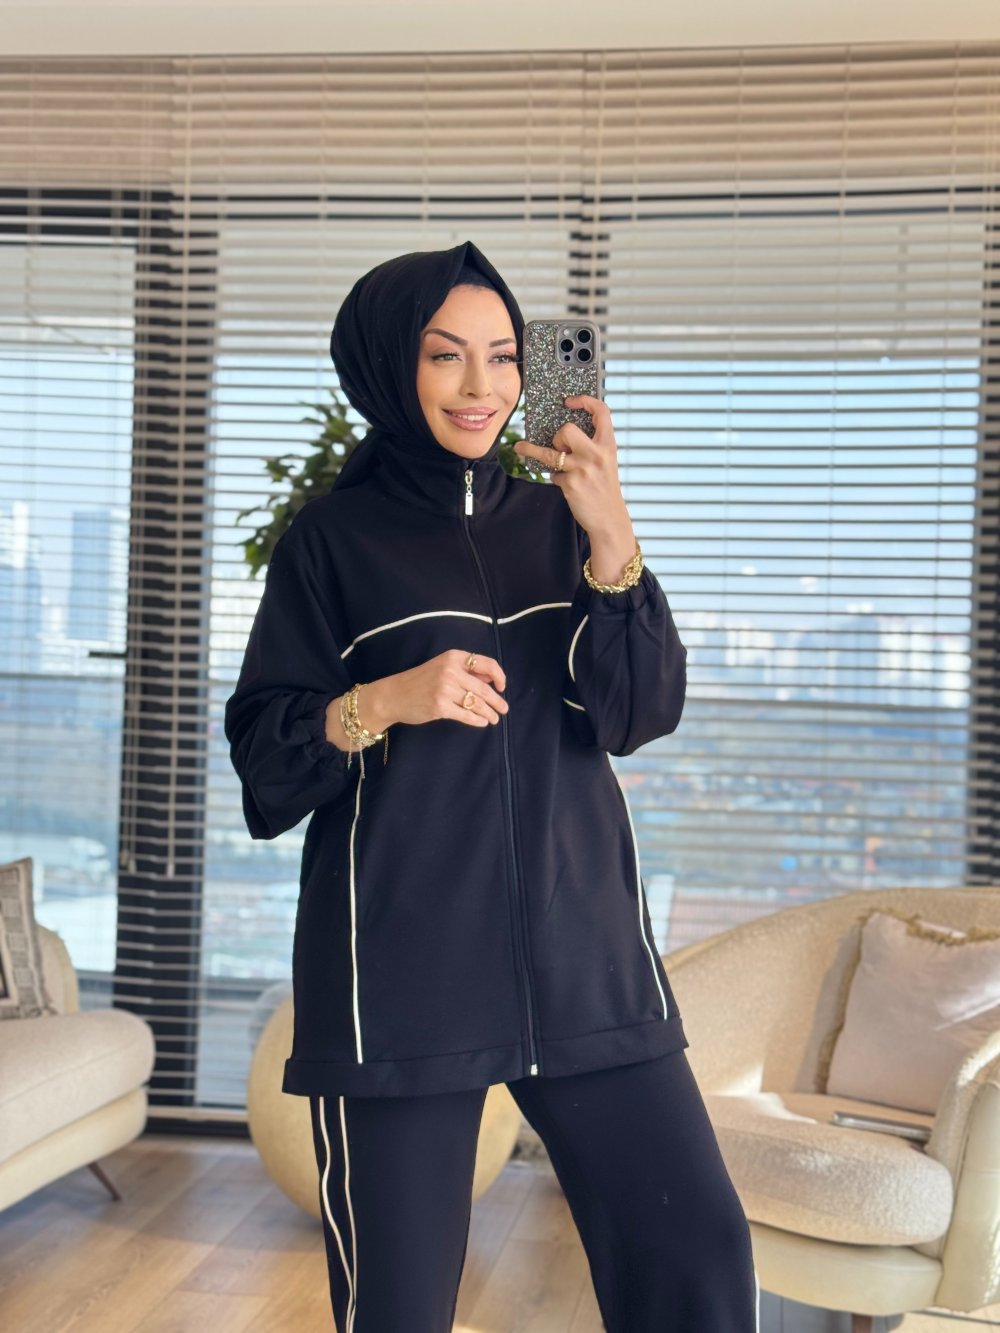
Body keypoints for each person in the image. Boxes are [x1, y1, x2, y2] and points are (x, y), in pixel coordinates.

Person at [224, 240, 759, 1331]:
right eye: (445, 355)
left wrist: (610, 528)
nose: (482, 385)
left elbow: (638, 714)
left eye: (505, 355)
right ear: (390, 365)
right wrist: (386, 698)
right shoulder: (331, 543)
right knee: (400, 1306)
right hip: (401, 976)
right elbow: (267, 763)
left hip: (584, 957)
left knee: (698, 1250)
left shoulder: (566, 523)